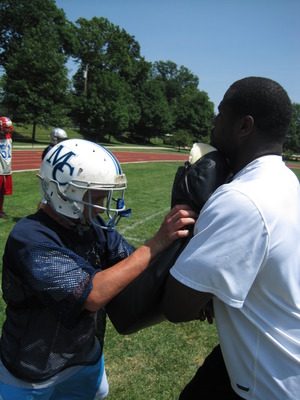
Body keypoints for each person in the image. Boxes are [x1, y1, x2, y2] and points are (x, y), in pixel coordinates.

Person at [0, 138, 196, 400]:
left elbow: (133, 267)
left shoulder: (91, 228)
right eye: (97, 197)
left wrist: (194, 290)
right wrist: (157, 242)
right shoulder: (30, 237)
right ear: (63, 194)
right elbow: (91, 296)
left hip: (84, 357)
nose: (103, 206)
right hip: (33, 370)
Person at [163, 77, 300, 400]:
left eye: (221, 112)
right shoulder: (286, 180)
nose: (213, 120)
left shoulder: (241, 198)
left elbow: (177, 305)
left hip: (269, 380)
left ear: (244, 126)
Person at [38, 127, 69, 210]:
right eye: (61, 139)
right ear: (55, 139)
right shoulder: (50, 150)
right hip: (51, 177)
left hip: (56, 176)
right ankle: (39, 214)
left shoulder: (58, 149)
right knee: (46, 198)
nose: (63, 141)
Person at [0, 117, 13, 219]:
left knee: (2, 191)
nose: (8, 130)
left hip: (5, 168)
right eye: (6, 128)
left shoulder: (8, 136)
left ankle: (0, 211)